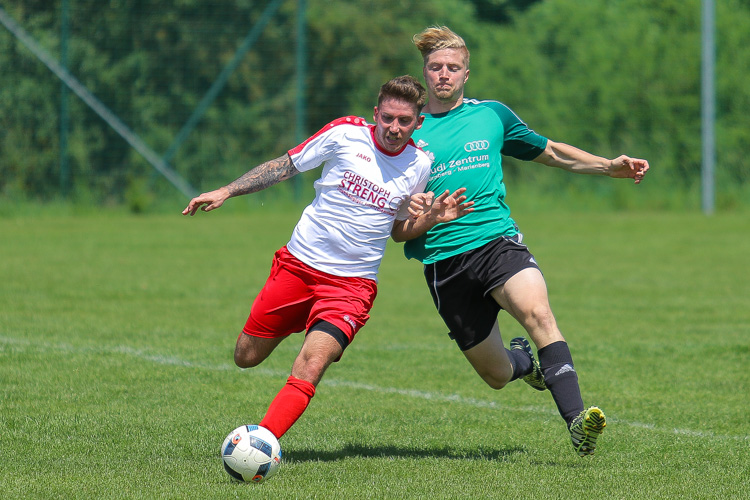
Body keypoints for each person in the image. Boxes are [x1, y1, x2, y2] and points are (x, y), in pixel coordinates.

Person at [400, 26, 650, 457]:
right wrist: (414, 208)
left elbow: (550, 151)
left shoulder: (491, 115)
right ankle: (524, 364)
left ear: (466, 74)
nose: (443, 75)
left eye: (453, 68)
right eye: (436, 67)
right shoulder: (406, 130)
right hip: (444, 263)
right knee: (496, 375)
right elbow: (393, 205)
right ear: (424, 72)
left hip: (496, 242)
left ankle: (575, 422)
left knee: (538, 313)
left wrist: (608, 166)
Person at [182, 75, 473, 441]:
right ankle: (298, 317)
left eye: (403, 121)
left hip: (351, 287)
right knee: (245, 356)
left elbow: (398, 230)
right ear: (375, 113)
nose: (393, 128)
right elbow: (284, 166)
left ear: (418, 122)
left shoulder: (420, 164)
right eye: (387, 118)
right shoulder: (344, 134)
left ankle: (262, 444)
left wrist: (428, 220)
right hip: (298, 266)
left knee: (311, 363)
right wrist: (227, 190)